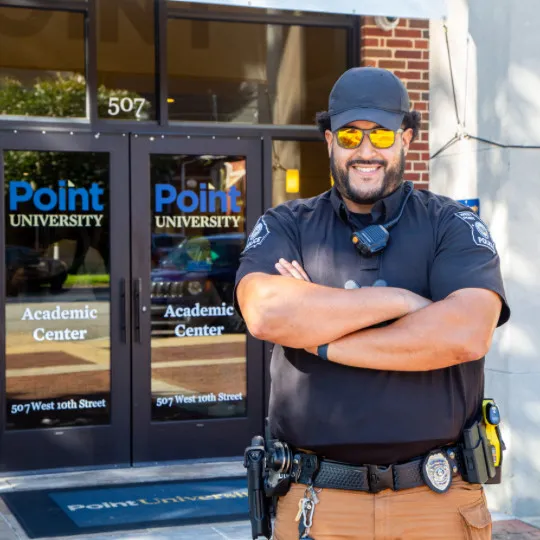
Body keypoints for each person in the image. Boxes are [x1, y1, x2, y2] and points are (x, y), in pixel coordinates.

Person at [235, 67, 510, 540]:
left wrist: (320, 336)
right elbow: (266, 312)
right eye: (350, 134)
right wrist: (404, 301)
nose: (366, 151)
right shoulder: (287, 225)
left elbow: (465, 334)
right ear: (329, 140)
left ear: (405, 138)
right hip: (317, 503)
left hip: (435, 503)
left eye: (381, 133)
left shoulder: (452, 225)